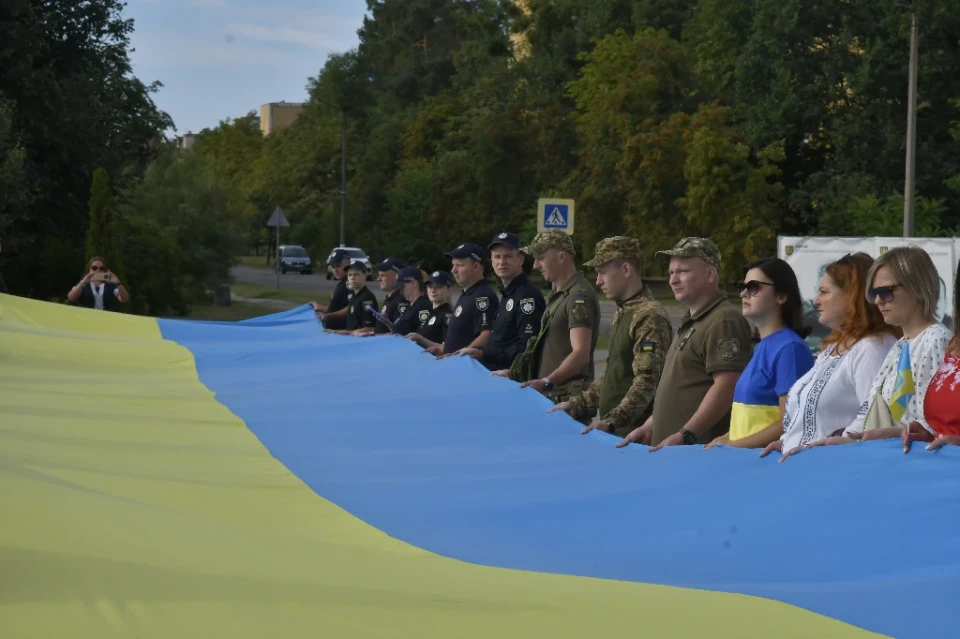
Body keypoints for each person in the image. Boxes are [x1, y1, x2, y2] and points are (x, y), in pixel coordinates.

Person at [787, 246, 952, 453]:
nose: (877, 301)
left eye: (886, 292)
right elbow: (880, 413)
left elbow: (929, 423)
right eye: (873, 293)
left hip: (912, 465)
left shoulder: (936, 340)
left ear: (917, 288)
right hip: (894, 458)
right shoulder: (901, 344)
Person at [616, 237, 753, 451]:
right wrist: (650, 425)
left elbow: (727, 385)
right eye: (671, 273)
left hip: (696, 456)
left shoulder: (723, 320)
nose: (673, 280)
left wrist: (687, 435)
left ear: (710, 274)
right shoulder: (693, 320)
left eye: (683, 271)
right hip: (675, 453)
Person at [761, 253, 899, 459]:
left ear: (852, 295)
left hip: (835, 470)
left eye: (824, 292)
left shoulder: (873, 348)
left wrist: (827, 444)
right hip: (808, 466)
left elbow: (873, 418)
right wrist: (788, 440)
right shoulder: (833, 348)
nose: (816, 301)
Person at [550, 236, 673, 437]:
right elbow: (613, 375)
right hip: (617, 431)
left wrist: (612, 421)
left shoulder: (649, 315)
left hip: (635, 436)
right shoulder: (623, 312)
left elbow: (646, 382)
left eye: (602, 273)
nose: (598, 281)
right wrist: (576, 403)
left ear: (626, 270)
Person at [704, 258, 815, 449]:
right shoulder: (764, 346)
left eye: (754, 286)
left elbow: (790, 423)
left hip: (769, 468)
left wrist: (733, 445)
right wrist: (726, 438)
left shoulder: (790, 349)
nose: (743, 293)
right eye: (743, 286)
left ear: (781, 296)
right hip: (749, 463)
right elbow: (753, 421)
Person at [498, 230, 600, 405]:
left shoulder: (578, 296)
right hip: (553, 396)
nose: (536, 265)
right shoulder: (560, 294)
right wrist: (514, 372)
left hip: (565, 400)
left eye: (541, 258)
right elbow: (550, 350)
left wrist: (547, 381)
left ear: (562, 257)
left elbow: (580, 353)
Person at [455, 232, 545, 371]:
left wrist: (483, 353)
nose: (501, 262)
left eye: (508, 256)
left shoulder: (527, 296)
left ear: (520, 259)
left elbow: (528, 348)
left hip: (512, 380)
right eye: (497, 257)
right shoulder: (507, 293)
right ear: (491, 260)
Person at [904, 257, 960, 451]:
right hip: (941, 472)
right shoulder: (954, 346)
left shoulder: (938, 339)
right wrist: (928, 434)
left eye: (886, 291)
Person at [438, 242, 498, 357]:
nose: (453, 270)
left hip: (466, 368)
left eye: (460, 265)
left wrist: (456, 357)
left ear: (476, 267)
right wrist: (441, 348)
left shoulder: (483, 296)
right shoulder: (468, 293)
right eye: (453, 265)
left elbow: (486, 334)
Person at [326, 261, 378, 335]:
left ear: (365, 276)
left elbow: (369, 328)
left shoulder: (367, 298)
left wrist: (339, 332)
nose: (352, 278)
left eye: (356, 274)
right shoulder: (355, 296)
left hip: (359, 343)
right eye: (350, 275)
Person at [408, 270, 454, 350]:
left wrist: (420, 339)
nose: (433, 290)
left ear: (449, 290)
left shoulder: (447, 315)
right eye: (430, 286)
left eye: (438, 287)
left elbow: (447, 348)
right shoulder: (430, 313)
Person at [312, 250, 352, 330]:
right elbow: (336, 309)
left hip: (341, 332)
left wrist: (328, 316)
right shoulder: (342, 284)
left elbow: (352, 308)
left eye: (338, 266)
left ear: (348, 264)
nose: (335, 270)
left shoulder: (349, 284)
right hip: (334, 331)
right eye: (333, 266)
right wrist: (320, 307)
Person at [388, 266, 433, 336]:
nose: (400, 292)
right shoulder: (410, 306)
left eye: (402, 287)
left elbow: (422, 336)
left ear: (413, 283)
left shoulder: (423, 307)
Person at [373, 257, 407, 335]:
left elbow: (400, 333)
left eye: (383, 275)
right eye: (379, 275)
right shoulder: (390, 298)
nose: (378, 279)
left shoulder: (402, 300)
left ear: (397, 277)